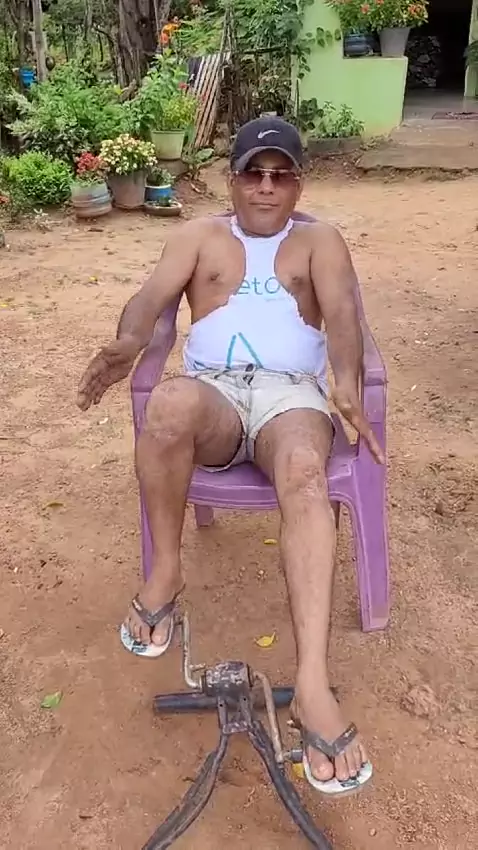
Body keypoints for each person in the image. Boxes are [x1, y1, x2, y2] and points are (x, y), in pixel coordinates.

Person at [77, 116, 384, 797]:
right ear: (232, 178)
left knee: (304, 473)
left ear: (298, 184)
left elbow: (343, 317)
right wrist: (129, 340)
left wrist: (346, 382)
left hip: (291, 397)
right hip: (214, 393)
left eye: (281, 174)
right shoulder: (197, 236)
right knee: (166, 405)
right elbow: (150, 301)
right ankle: (165, 573)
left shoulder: (321, 241)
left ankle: (311, 686)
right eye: (254, 172)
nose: (266, 186)